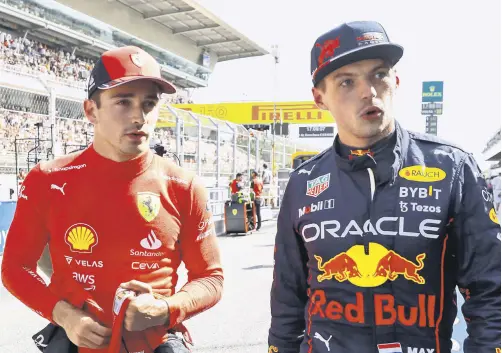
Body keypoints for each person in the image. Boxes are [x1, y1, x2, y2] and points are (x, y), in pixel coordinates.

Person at [268, 21, 500, 353]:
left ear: (396, 80)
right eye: (347, 81)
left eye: (379, 74)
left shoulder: (452, 168)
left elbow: (491, 293)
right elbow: (286, 302)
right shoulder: (303, 183)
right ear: (320, 98)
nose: (368, 92)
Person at [1, 46, 224, 353]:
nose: (139, 116)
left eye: (149, 103)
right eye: (123, 102)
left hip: (157, 343)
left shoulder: (184, 186)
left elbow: (210, 279)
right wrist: (65, 316)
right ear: (91, 110)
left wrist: (166, 309)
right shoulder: (47, 180)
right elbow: (15, 267)